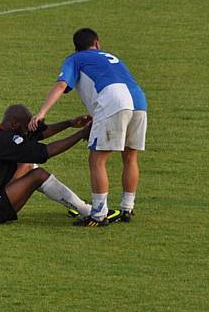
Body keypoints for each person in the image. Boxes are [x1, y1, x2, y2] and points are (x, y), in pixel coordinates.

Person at [29, 28, 147, 227]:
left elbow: (61, 85)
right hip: (139, 100)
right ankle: (127, 208)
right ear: (97, 43)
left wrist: (42, 113)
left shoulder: (75, 59)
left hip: (114, 100)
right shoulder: (112, 57)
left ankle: (99, 214)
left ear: (76, 47)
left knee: (97, 160)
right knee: (130, 156)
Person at [0, 104, 119, 225]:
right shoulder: (4, 141)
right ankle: (86, 210)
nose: (26, 133)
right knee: (38, 175)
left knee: (27, 165)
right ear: (13, 124)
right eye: (24, 129)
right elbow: (47, 151)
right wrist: (81, 134)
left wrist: (70, 123)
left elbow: (38, 134)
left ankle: (83, 208)